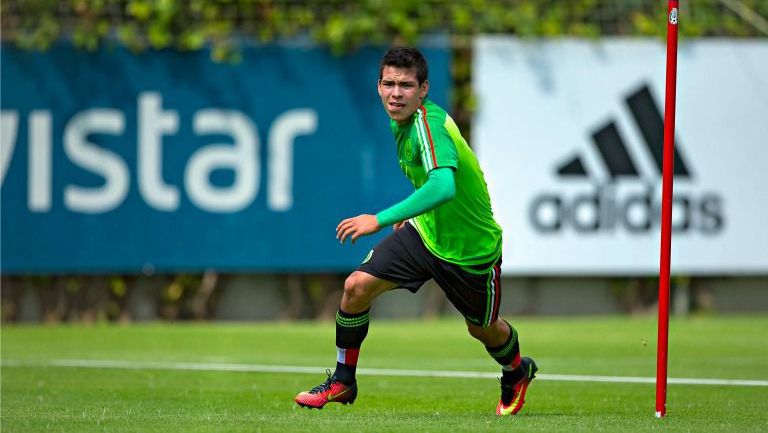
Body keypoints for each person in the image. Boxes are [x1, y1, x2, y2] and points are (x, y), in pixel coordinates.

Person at [294, 47, 537, 416]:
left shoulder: (428, 123)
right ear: (378, 86)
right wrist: (412, 213)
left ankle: (516, 371)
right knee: (356, 287)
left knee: (484, 330)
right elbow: (431, 183)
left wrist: (379, 218)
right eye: (389, 83)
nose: (396, 93)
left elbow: (443, 187)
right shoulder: (402, 120)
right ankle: (343, 381)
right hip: (425, 234)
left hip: (470, 250)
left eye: (406, 85)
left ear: (423, 90)